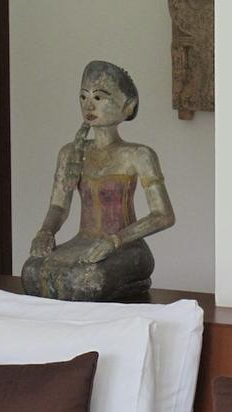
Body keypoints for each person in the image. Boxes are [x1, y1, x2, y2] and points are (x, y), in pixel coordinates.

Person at [22, 61, 175, 301]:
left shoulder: (138, 155)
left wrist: (115, 241)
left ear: (128, 106)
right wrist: (45, 232)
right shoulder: (70, 153)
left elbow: (163, 215)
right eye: (83, 97)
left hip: (127, 247)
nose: (88, 105)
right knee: (32, 271)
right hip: (83, 242)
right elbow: (59, 206)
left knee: (87, 279)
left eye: (99, 97)